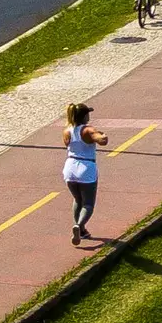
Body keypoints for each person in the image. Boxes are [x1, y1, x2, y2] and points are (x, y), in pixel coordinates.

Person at [61, 102, 109, 246]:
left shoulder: (67, 130)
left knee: (77, 199)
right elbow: (102, 141)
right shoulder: (88, 130)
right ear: (84, 116)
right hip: (86, 167)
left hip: (69, 167)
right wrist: (103, 135)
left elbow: (67, 144)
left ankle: (81, 231)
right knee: (88, 203)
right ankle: (79, 225)